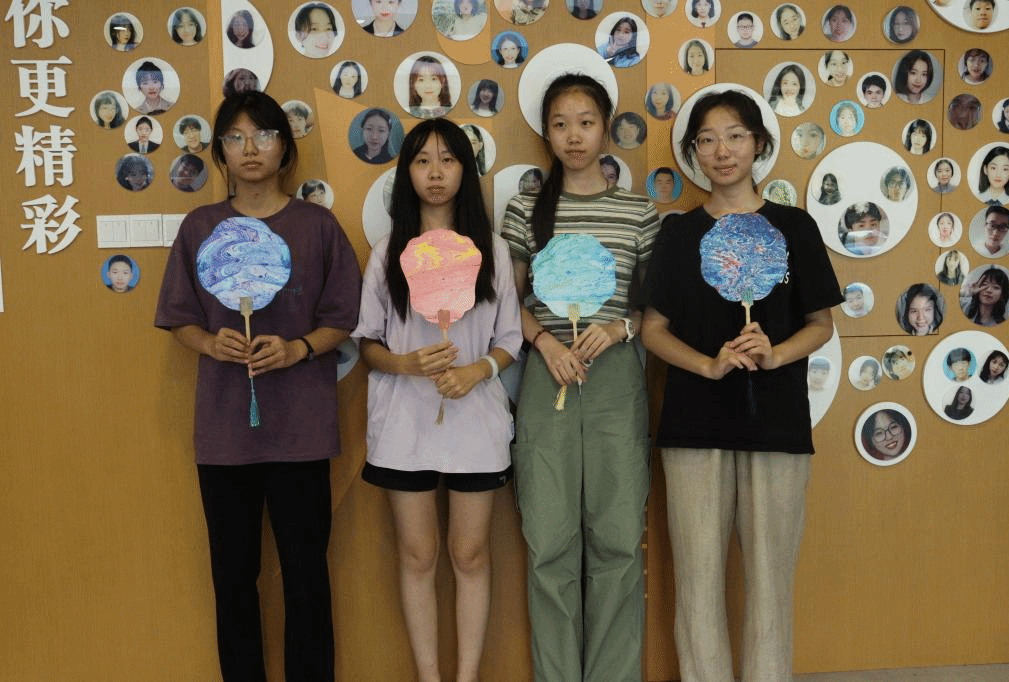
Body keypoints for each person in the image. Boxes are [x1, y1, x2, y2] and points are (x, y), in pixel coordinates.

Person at [153, 90, 361, 682]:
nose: (250, 148)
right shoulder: (200, 228)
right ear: (219, 152)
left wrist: (298, 348)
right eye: (236, 137)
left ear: (285, 149)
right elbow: (179, 317)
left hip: (301, 432)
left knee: (306, 577)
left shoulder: (317, 226)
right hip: (225, 435)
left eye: (264, 136)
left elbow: (344, 316)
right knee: (233, 578)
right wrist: (209, 343)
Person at [640, 88, 841, 682]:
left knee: (771, 582)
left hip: (775, 422)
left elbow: (821, 324)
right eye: (706, 139)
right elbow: (653, 330)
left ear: (758, 144)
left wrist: (774, 354)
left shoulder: (794, 227)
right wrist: (707, 364)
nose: (721, 151)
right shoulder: (678, 234)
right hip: (693, 422)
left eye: (734, 136)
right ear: (693, 153)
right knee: (697, 580)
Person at [500, 73, 659, 682]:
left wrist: (619, 329)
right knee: (549, 540)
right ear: (546, 132)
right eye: (561, 124)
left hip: (616, 376)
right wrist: (543, 341)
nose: (574, 136)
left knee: (618, 537)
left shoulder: (637, 212)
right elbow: (505, 304)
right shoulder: (526, 211)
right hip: (548, 374)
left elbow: (654, 310)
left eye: (586, 123)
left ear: (606, 128)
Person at [353, 117, 522, 682]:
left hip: (475, 424)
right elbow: (368, 342)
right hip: (405, 425)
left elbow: (510, 340)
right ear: (406, 173)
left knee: (469, 554)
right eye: (422, 161)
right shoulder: (387, 254)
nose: (435, 173)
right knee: (418, 555)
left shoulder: (493, 251)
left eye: (448, 160)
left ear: (465, 172)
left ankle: (466, 676)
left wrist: (477, 371)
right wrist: (404, 364)